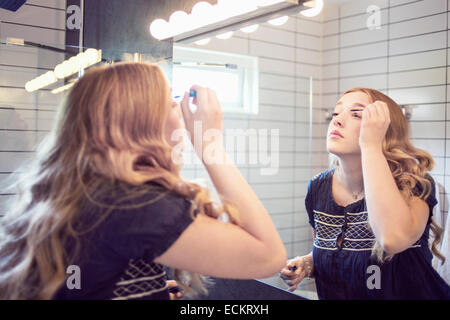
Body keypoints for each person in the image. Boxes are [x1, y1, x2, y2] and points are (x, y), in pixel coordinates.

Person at [0, 62, 287, 300]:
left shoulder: (76, 193)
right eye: (171, 102)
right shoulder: (134, 205)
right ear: (144, 124)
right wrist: (210, 145)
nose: (180, 111)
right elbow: (269, 257)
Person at [280, 87, 450, 299]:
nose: (337, 121)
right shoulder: (318, 187)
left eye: (356, 114)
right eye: (336, 113)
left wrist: (371, 146)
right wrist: (307, 263)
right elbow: (335, 253)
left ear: (384, 130)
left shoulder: (413, 184)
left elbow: (392, 238)